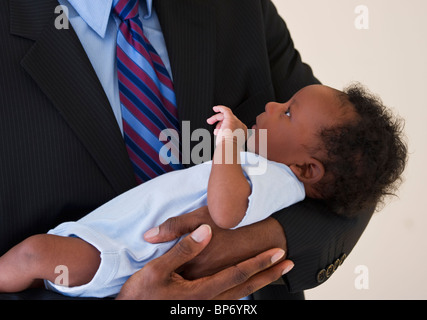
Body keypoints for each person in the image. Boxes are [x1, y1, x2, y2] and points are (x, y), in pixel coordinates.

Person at [0, 0, 393, 299]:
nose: (272, 107)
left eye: (286, 111)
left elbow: (353, 162)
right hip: (94, 260)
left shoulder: (239, 9)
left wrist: (247, 243)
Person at [0, 84, 407, 298]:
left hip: (124, 253)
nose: (269, 104)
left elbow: (227, 212)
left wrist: (229, 139)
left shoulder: (278, 180)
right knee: (36, 266)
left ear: (307, 168)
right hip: (118, 243)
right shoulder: (276, 168)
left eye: (285, 111)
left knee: (35, 255)